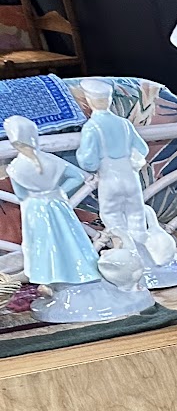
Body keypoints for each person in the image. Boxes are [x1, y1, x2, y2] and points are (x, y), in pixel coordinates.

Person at [5, 115, 99, 288]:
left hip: (34, 207)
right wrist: (59, 192)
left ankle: (47, 276)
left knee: (41, 241)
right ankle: (76, 270)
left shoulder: (15, 168)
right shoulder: (50, 159)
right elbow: (77, 177)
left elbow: (21, 195)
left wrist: (38, 195)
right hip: (57, 203)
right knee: (68, 236)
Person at [73, 79, 150, 249]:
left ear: (89, 101)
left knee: (112, 216)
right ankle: (142, 250)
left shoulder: (92, 127)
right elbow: (142, 149)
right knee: (136, 214)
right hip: (130, 177)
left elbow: (89, 162)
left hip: (109, 178)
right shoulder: (124, 123)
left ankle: (125, 250)